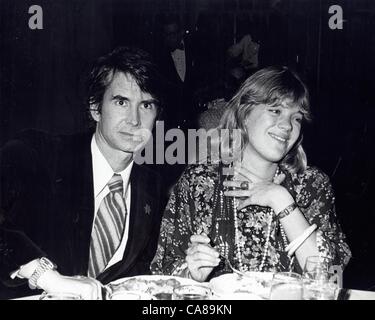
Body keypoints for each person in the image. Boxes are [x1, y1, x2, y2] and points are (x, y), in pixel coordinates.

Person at [151, 66, 351, 282]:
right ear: (244, 114)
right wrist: (191, 274)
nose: (287, 126)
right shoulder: (200, 182)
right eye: (275, 110)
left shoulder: (312, 185)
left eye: (297, 118)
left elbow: (331, 279)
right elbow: (163, 273)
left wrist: (281, 200)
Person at [0, 46, 166, 299]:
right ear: (95, 108)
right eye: (121, 102)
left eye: (146, 105)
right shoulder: (37, 154)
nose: (134, 120)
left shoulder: (154, 189)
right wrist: (46, 276)